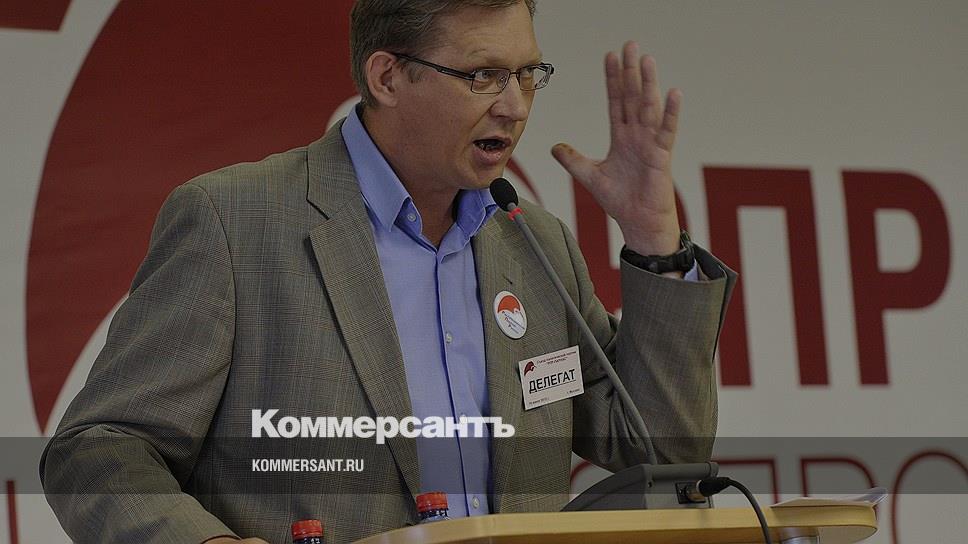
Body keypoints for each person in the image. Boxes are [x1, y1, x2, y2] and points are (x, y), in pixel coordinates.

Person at [41, 1, 736, 542]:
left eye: (528, 74)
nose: (516, 105)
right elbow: (99, 451)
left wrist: (654, 239)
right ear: (387, 76)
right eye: (483, 76)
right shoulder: (235, 222)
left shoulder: (536, 243)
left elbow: (661, 449)